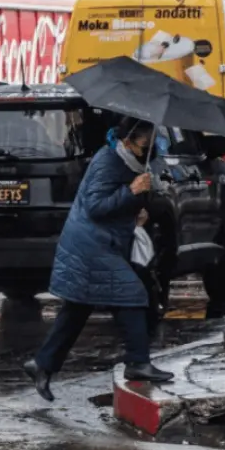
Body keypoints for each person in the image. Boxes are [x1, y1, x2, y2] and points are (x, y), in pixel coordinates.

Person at [24, 118, 174, 402]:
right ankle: (138, 362)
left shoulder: (129, 162)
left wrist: (137, 208)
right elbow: (95, 206)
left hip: (101, 242)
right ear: (131, 138)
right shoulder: (109, 161)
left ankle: (42, 363)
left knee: (78, 307)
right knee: (132, 293)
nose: (151, 141)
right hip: (91, 244)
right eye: (148, 136)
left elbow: (119, 203)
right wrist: (130, 192)